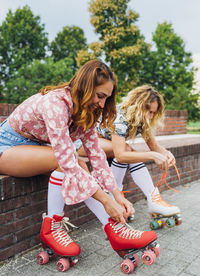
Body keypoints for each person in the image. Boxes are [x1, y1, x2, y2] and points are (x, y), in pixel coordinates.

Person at [0, 61, 157, 262]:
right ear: (85, 86)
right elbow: (66, 160)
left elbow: (98, 158)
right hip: (7, 146)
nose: (102, 104)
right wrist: (106, 201)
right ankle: (51, 229)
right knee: (69, 161)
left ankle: (117, 230)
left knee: (80, 164)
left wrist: (117, 196)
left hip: (35, 148)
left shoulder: (86, 113)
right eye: (100, 96)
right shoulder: (56, 103)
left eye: (106, 98)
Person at [77, 85, 181, 227]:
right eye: (149, 111)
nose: (151, 116)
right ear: (138, 106)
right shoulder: (121, 117)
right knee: (126, 149)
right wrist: (152, 156)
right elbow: (120, 155)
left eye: (153, 113)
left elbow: (155, 147)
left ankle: (153, 199)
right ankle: (120, 197)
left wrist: (167, 154)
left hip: (102, 144)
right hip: (83, 144)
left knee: (129, 150)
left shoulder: (141, 119)